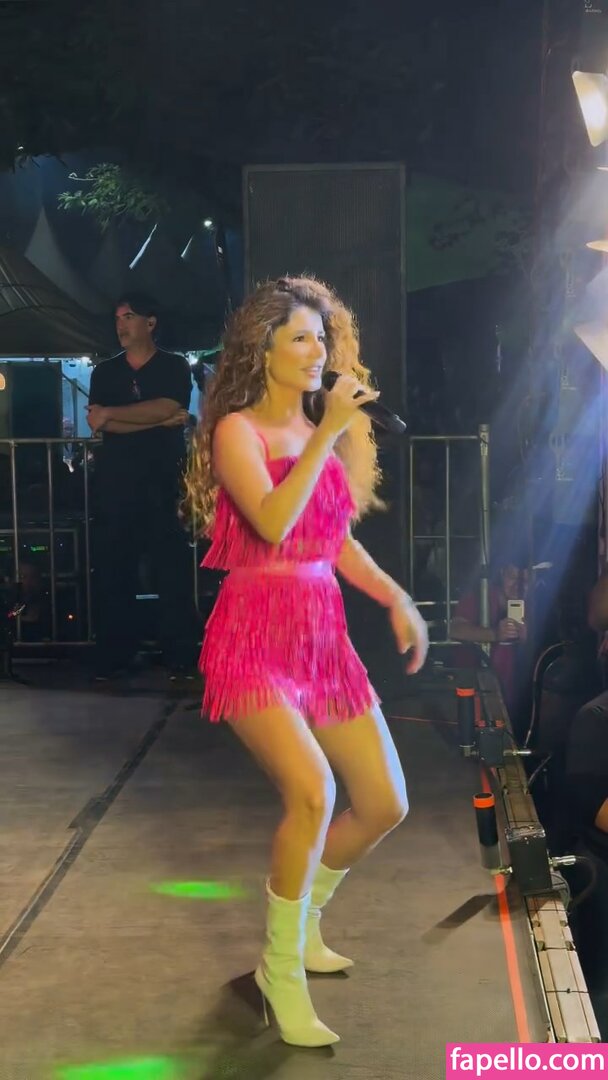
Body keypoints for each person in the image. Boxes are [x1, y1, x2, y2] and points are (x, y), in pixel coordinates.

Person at [184, 276, 429, 1048]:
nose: (316, 350)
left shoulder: (320, 431)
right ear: (263, 350)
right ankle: (279, 971)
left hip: (323, 638)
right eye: (299, 337)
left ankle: (305, 920)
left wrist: (396, 597)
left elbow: (335, 541)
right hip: (253, 634)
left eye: (321, 337)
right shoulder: (238, 431)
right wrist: (327, 434)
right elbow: (272, 523)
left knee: (385, 803)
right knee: (313, 792)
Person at [87, 292, 197, 680]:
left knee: (171, 571)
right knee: (115, 570)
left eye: (129, 316)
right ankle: (116, 653)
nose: (121, 324)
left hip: (163, 482)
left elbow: (170, 407)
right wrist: (156, 419)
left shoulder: (173, 365)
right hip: (117, 484)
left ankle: (180, 655)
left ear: (150, 322)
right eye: (118, 318)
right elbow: (98, 421)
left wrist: (116, 416)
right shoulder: (105, 372)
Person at [450, 562, 528, 718]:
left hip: (513, 692)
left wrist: (527, 637)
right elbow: (455, 629)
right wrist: (494, 634)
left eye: (524, 580)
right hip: (476, 688)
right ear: (502, 573)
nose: (517, 586)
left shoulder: (534, 605)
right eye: (512, 577)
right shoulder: (481, 597)